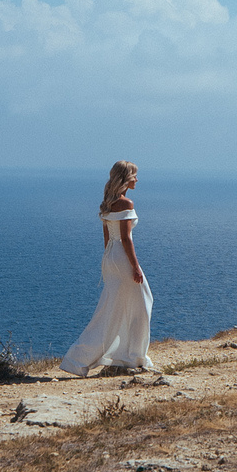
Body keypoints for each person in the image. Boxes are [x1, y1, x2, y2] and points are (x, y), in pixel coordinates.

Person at [63, 159, 155, 376]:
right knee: (142, 302)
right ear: (126, 178)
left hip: (110, 257)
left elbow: (107, 238)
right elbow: (126, 239)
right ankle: (134, 356)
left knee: (112, 308)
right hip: (122, 258)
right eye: (134, 175)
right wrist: (135, 266)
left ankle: (81, 359)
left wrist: (109, 263)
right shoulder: (126, 204)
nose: (137, 179)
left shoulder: (107, 202)